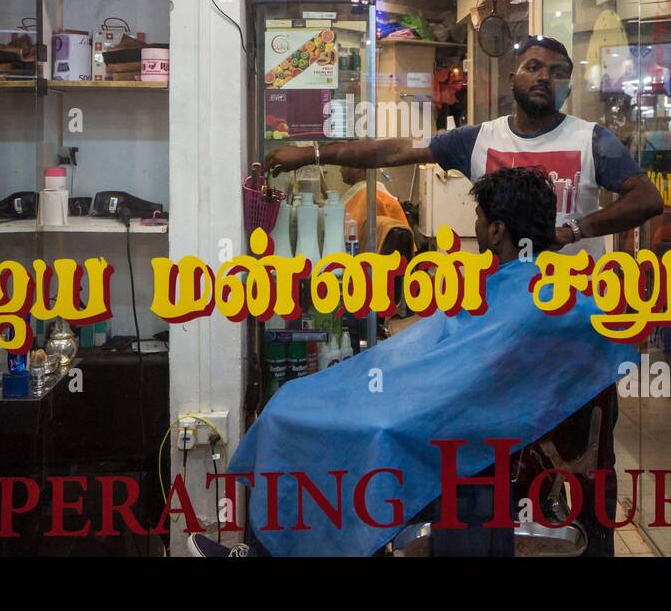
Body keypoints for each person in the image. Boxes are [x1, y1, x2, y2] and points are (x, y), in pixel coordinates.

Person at [189, 167, 627, 557]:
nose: (474, 226)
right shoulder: (545, 292)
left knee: (316, 423)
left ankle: (274, 549)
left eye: (478, 219)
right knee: (292, 403)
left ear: (495, 231)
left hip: (441, 420)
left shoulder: (544, 300)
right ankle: (266, 548)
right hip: (435, 400)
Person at [266, 35, 663, 249]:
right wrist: (309, 153)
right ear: (513, 77)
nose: (545, 77)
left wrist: (572, 231)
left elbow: (646, 200)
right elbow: (395, 150)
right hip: (503, 305)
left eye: (558, 72)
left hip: (576, 305)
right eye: (534, 67)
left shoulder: (592, 139)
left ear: (568, 86)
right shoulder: (478, 138)